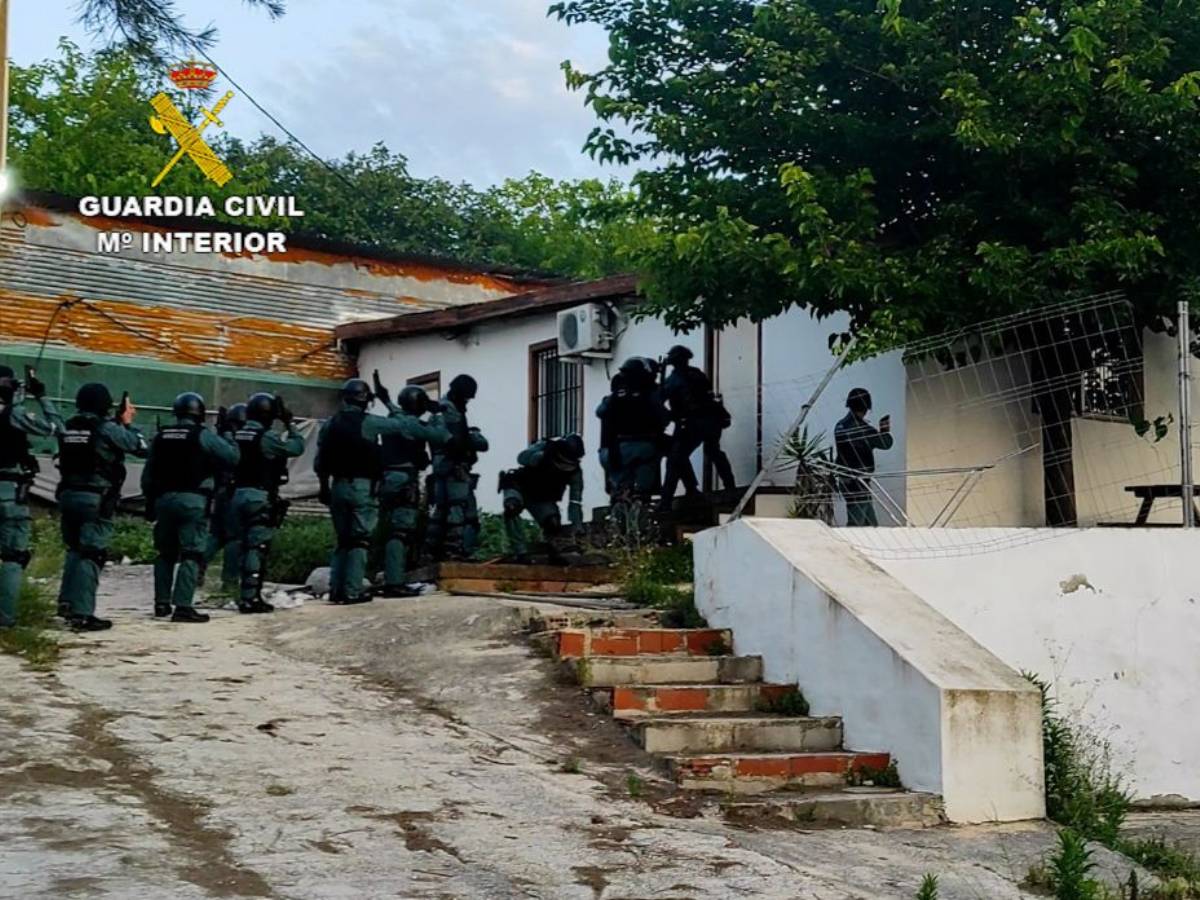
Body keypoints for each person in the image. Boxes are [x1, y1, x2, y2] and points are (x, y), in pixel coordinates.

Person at [315, 378, 440, 604]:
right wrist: (394, 405)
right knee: (359, 541)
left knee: (342, 541)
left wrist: (324, 487)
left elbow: (319, 461)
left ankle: (336, 591)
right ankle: (352, 591)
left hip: (337, 486)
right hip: (362, 487)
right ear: (366, 401)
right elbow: (403, 426)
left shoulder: (329, 424)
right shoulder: (370, 422)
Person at [56, 384, 148, 631]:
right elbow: (140, 448)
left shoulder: (68, 425)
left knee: (74, 550)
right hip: (95, 498)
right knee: (92, 552)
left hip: (67, 494)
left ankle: (67, 604)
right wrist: (126, 422)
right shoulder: (107, 428)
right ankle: (83, 613)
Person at [142, 392, 239, 623]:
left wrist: (150, 502)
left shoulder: (161, 436)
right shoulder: (202, 435)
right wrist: (227, 432)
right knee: (191, 553)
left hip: (163, 500)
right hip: (192, 500)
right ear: (200, 414)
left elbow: (148, 474)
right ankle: (183, 607)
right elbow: (232, 456)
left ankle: (161, 604)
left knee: (165, 554)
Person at [374, 376, 450, 596]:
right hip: (405, 477)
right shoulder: (413, 425)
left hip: (387, 478)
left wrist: (387, 401)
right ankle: (394, 582)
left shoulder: (393, 418)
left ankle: (389, 575)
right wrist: (438, 415)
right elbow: (441, 437)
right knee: (401, 532)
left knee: (389, 530)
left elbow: (399, 414)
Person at [230, 393, 306, 614]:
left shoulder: (238, 433)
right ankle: (250, 598)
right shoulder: (266, 437)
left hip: (237, 494)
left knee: (242, 545)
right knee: (257, 546)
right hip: (258, 495)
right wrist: (289, 422)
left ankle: (240, 591)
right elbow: (296, 447)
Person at [0, 366, 61, 631]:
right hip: (9, 493)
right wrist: (42, 396)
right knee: (13, 556)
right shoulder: (14, 414)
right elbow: (57, 428)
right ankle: (5, 620)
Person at [660, 344, 736, 510]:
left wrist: (671, 416)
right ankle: (729, 486)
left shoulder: (674, 380)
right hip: (710, 421)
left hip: (691, 424)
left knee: (675, 459)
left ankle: (667, 501)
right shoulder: (697, 374)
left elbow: (660, 400)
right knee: (713, 452)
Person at [425, 375, 489, 562]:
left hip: (441, 465)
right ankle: (454, 550)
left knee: (440, 510)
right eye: (467, 396)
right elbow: (455, 441)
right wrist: (471, 440)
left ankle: (431, 551)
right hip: (453, 464)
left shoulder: (440, 410)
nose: (468, 401)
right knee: (458, 509)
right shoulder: (451, 411)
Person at [500, 434, 585, 562]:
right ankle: (520, 551)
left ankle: (552, 550)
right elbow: (521, 458)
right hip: (519, 487)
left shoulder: (575, 472)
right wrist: (535, 456)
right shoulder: (545, 447)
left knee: (553, 522)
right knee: (512, 508)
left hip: (541, 497)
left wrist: (577, 525)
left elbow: (575, 500)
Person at [604, 357, 670, 503]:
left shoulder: (613, 397)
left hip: (615, 449)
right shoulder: (648, 393)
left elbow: (601, 412)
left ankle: (621, 501)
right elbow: (664, 417)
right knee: (673, 453)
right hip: (644, 445)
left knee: (621, 485)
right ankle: (645, 496)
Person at [834, 387, 894, 527]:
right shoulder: (864, 430)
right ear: (867, 407)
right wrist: (884, 430)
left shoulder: (840, 426)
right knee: (857, 524)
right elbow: (886, 444)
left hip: (844, 479)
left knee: (869, 523)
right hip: (859, 482)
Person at [204, 402, 247, 594]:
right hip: (234, 492)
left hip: (220, 492)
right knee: (234, 539)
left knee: (215, 536)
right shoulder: (240, 441)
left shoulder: (219, 438)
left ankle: (194, 567)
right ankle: (229, 583)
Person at [595, 372, 626, 497]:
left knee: (615, 486)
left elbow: (599, 412)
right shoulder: (630, 400)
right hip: (618, 449)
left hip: (607, 449)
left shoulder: (607, 401)